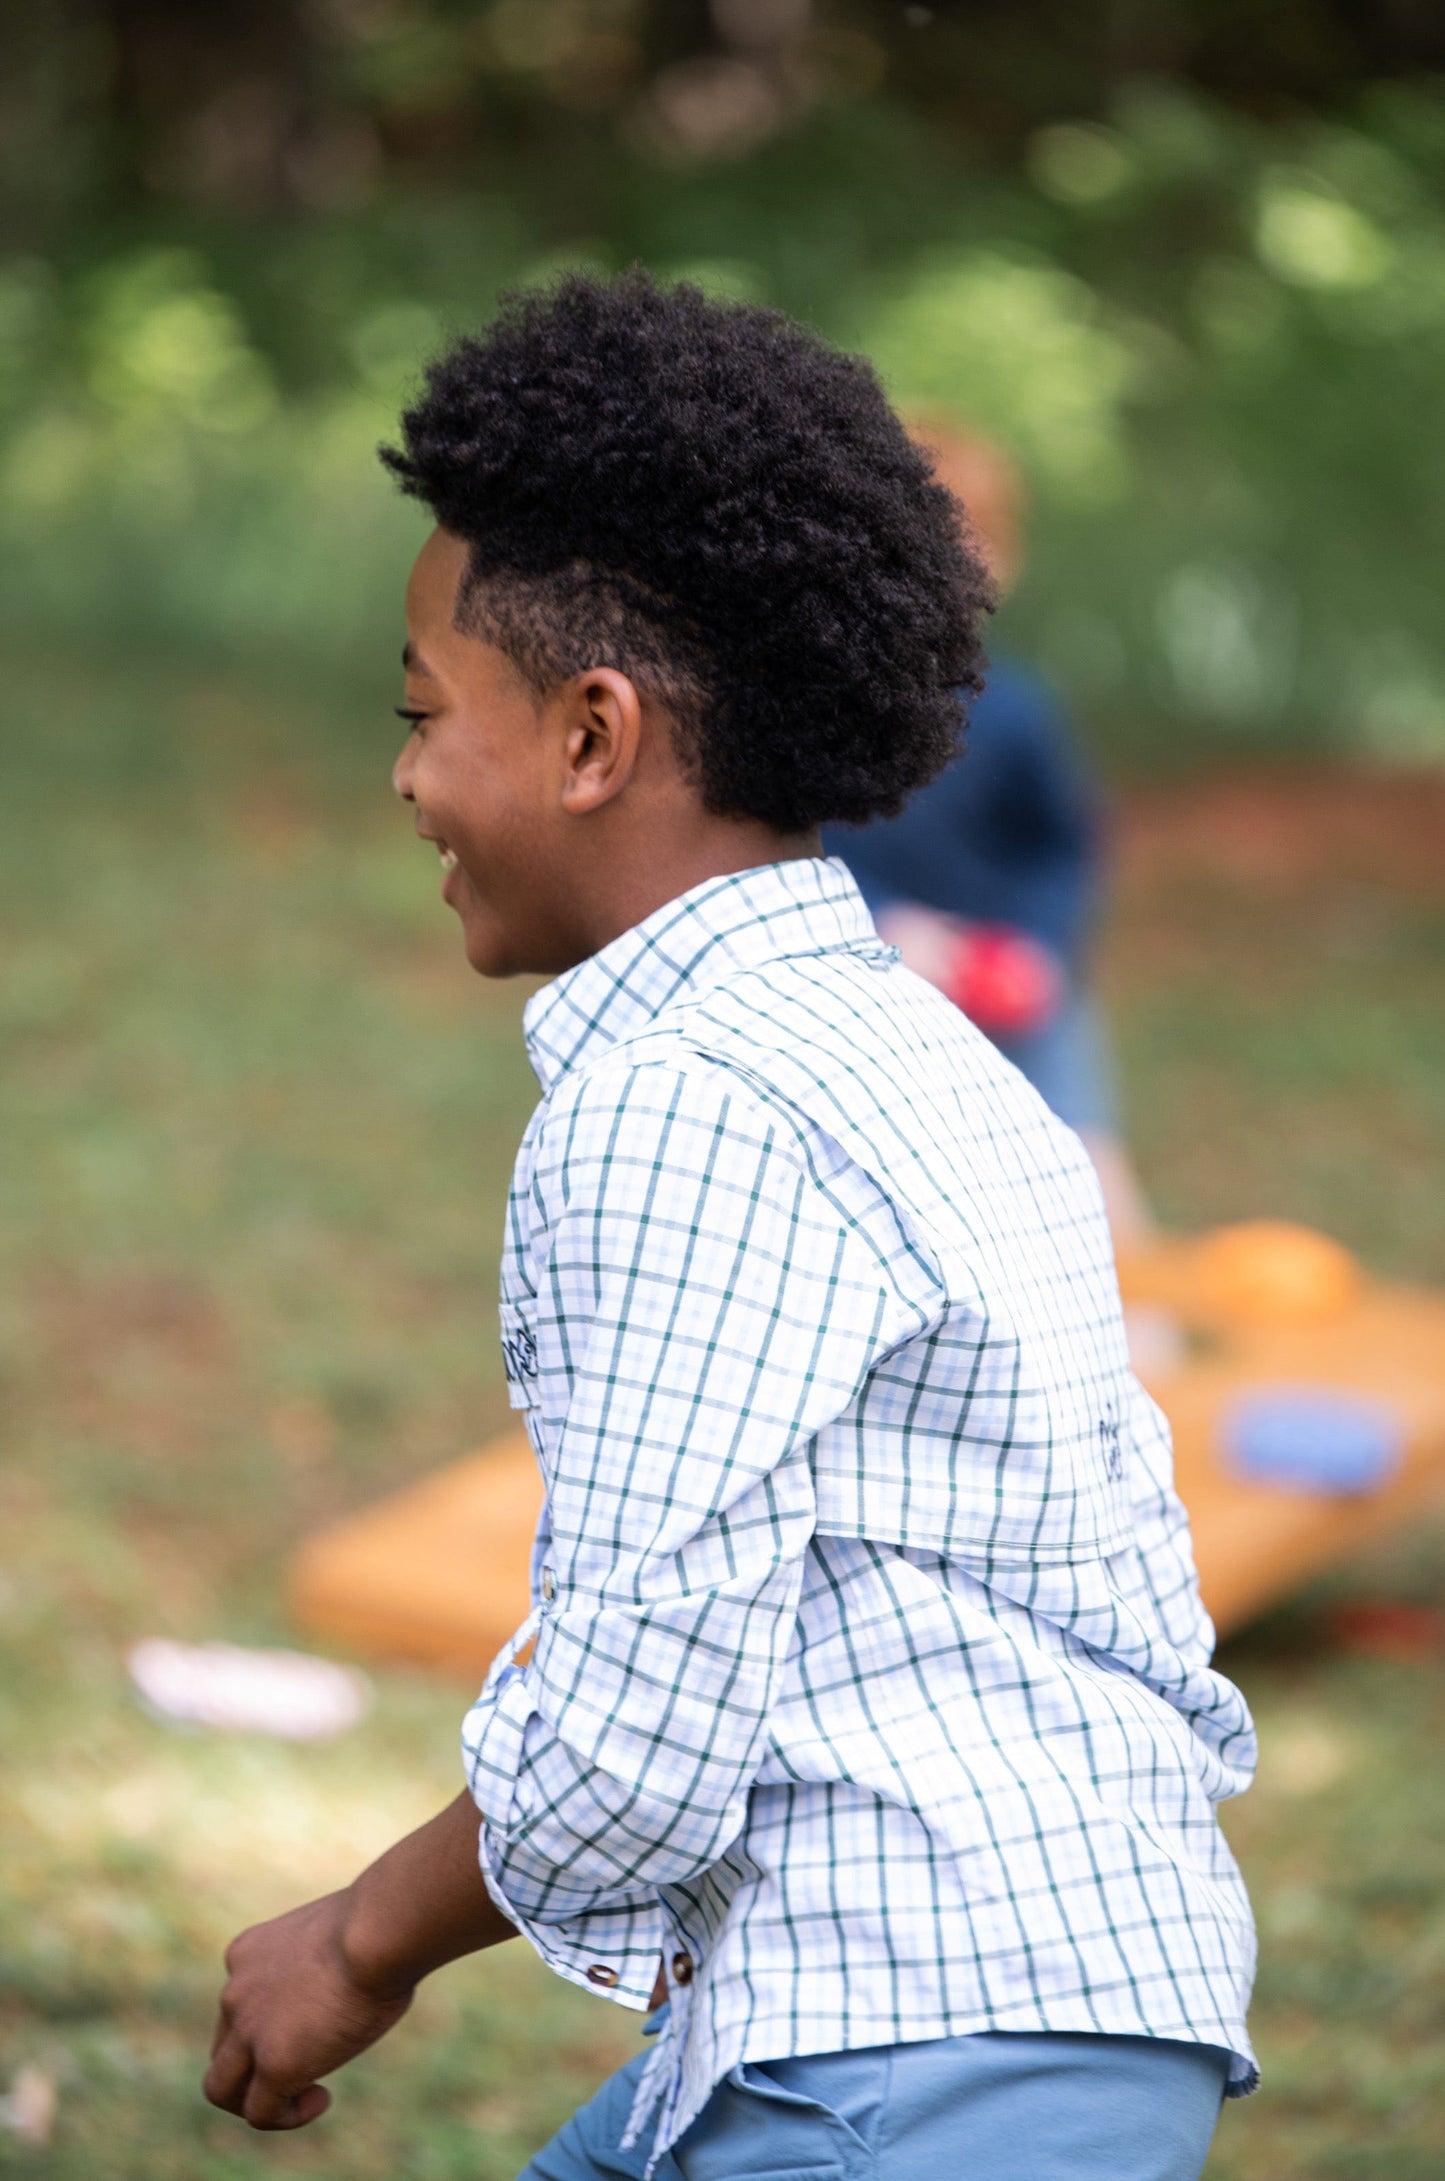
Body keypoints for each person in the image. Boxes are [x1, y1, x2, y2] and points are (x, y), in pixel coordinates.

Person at [203, 274, 1257, 2181]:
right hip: (1048, 2008)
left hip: (904, 2056)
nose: (404, 777)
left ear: (594, 737)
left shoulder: (683, 1109)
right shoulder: (931, 1064)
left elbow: (633, 1750)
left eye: (423, 714)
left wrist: (353, 1942)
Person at [824, 424, 1152, 1247]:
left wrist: (1037, 944)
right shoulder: (816, 710)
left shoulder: (1016, 709)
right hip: (867, 988)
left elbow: (1060, 846)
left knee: (1080, 1157)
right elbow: (791, 842)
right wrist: (880, 922)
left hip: (1010, 983)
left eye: (966, 544)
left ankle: (1130, 1299)